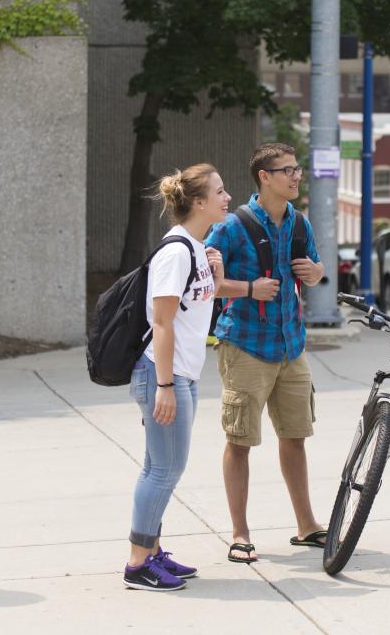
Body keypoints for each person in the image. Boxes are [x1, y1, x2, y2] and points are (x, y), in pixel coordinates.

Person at [206, 142, 326, 564]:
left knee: (295, 437)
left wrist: (316, 273)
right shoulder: (231, 227)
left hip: (292, 347)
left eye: (297, 169)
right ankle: (240, 534)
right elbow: (205, 284)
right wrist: (249, 289)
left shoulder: (298, 223)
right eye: (286, 170)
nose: (296, 176)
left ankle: (307, 526)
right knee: (239, 441)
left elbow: (314, 269)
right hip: (245, 346)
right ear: (264, 177)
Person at [122, 164, 231, 592]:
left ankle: (152, 551)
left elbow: (198, 306)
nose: (227, 198)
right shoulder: (175, 252)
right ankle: (137, 563)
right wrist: (165, 386)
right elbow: (162, 322)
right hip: (162, 375)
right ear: (198, 202)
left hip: (182, 375)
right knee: (164, 471)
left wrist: (217, 278)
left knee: (159, 467)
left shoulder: (196, 248)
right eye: (219, 192)